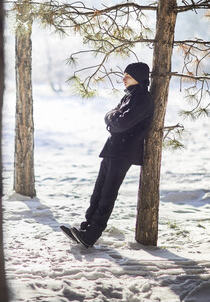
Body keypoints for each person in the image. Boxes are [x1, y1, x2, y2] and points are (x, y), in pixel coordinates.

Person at [61, 62, 155, 248]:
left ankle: (91, 235)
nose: (123, 79)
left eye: (127, 75)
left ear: (138, 77)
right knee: (98, 191)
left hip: (124, 152)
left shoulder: (143, 99)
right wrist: (114, 117)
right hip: (112, 149)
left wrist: (113, 117)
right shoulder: (128, 97)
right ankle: (85, 228)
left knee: (107, 195)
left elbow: (120, 122)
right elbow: (112, 117)